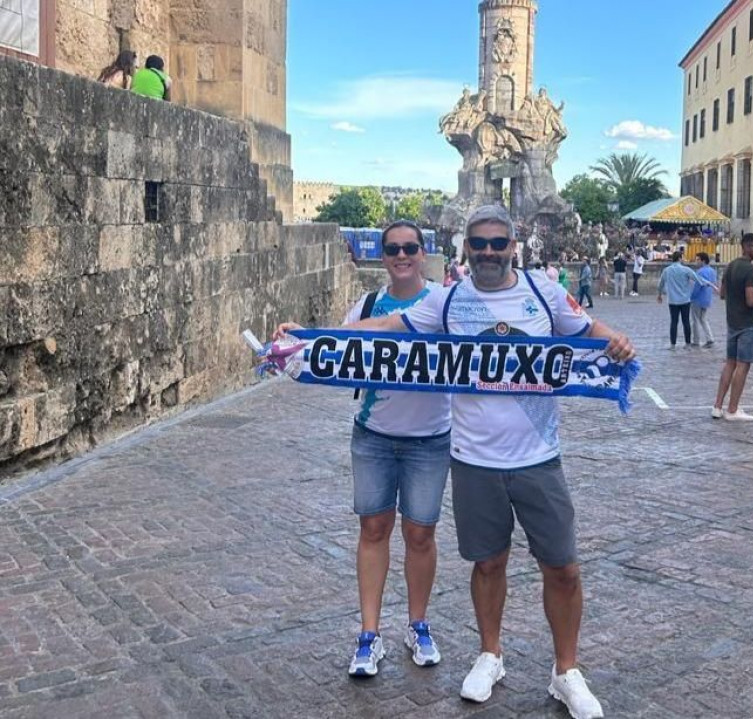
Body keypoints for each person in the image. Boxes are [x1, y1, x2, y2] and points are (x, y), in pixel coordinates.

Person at [340, 205, 635, 719]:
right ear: (466, 250)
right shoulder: (450, 299)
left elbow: (586, 327)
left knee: (562, 567)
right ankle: (490, 654)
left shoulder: (542, 292)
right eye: (480, 244)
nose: (490, 252)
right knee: (488, 563)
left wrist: (616, 339)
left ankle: (566, 670)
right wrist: (312, 339)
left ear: (513, 246)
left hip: (539, 457)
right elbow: (390, 324)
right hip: (474, 459)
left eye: (499, 243)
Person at [275, 221, 452, 677]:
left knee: (420, 535)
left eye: (410, 247)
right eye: (393, 248)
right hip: (374, 435)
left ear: (422, 250)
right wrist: (306, 338)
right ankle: (369, 634)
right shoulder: (369, 303)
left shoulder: (442, 301)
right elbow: (340, 342)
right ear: (383, 255)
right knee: (373, 530)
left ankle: (418, 624)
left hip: (429, 438)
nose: (401, 255)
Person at [712, 234, 753, 421]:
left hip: (732, 322)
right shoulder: (751, 270)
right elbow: (751, 301)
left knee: (730, 363)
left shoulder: (730, 266)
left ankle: (717, 406)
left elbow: (722, 294)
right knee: (742, 366)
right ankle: (733, 409)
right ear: (745, 247)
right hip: (747, 323)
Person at [657, 251, 705, 349]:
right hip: (685, 300)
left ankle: (672, 344)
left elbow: (660, 284)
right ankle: (687, 343)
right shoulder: (686, 270)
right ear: (680, 258)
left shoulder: (667, 270)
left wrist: (659, 294)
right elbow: (697, 279)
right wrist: (705, 284)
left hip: (672, 300)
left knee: (674, 322)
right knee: (686, 321)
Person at [690, 252, 718, 348]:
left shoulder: (700, 272)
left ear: (703, 260)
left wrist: (691, 296)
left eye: (698, 259)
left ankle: (696, 340)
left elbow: (697, 286)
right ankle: (710, 338)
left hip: (698, 298)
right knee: (703, 319)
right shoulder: (712, 271)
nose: (696, 261)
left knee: (695, 320)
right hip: (707, 298)